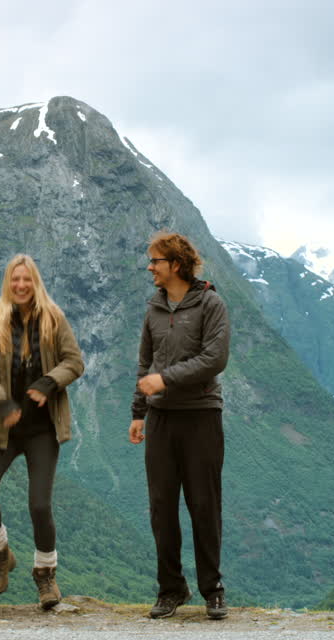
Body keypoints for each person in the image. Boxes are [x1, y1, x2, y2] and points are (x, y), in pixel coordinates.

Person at [0, 254, 85, 610]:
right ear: (8, 282)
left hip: (42, 430)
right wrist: (2, 402)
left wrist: (49, 382)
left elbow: (74, 361)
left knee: (39, 505)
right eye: (15, 280)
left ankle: (45, 575)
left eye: (27, 280)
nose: (21, 285)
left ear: (35, 282)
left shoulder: (54, 318)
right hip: (3, 425)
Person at [128, 231, 230, 621]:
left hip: (202, 414)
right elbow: (144, 364)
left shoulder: (211, 303)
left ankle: (213, 590)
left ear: (175, 264)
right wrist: (139, 412)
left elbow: (214, 359)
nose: (150, 268)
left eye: (155, 261)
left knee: (204, 504)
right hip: (161, 418)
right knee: (162, 507)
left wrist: (165, 379)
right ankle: (171, 589)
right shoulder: (153, 308)